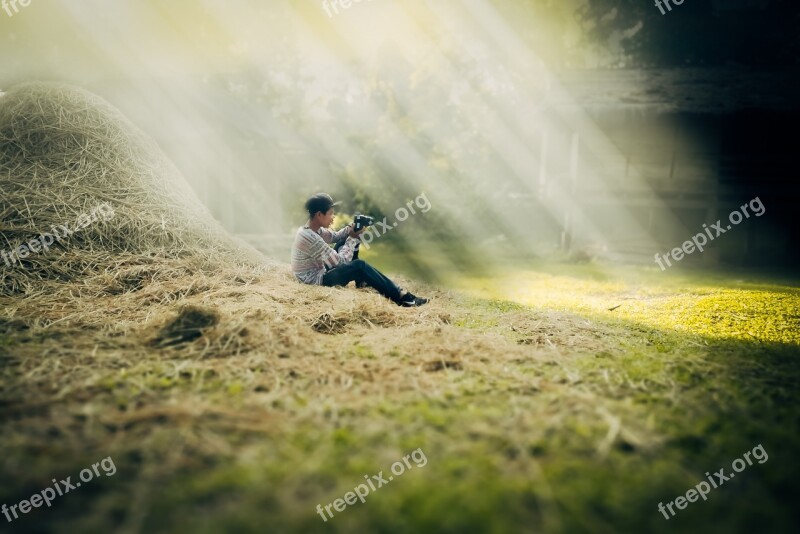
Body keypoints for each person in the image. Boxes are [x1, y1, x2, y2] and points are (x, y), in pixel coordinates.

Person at [291, 193, 428, 307]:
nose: (333, 217)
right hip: (315, 282)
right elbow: (341, 262)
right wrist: (353, 238)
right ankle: (403, 298)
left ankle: (361, 281)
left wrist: (351, 229)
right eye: (331, 213)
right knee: (359, 265)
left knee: (343, 242)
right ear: (320, 215)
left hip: (317, 270)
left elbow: (335, 236)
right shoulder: (310, 238)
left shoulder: (312, 230)